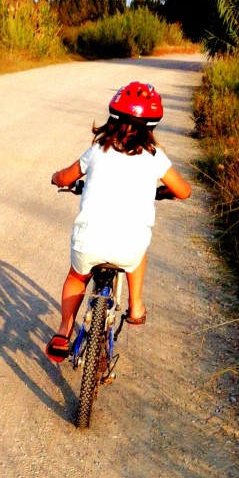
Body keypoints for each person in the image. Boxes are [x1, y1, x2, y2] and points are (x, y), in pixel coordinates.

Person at [45, 80, 192, 361]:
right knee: (139, 251)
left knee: (77, 276)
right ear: (152, 125)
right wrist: (165, 191)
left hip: (89, 243)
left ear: (112, 118)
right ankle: (136, 307)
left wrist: (55, 177)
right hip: (128, 247)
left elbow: (65, 177)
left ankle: (64, 331)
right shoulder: (155, 157)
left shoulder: (98, 149)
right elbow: (184, 191)